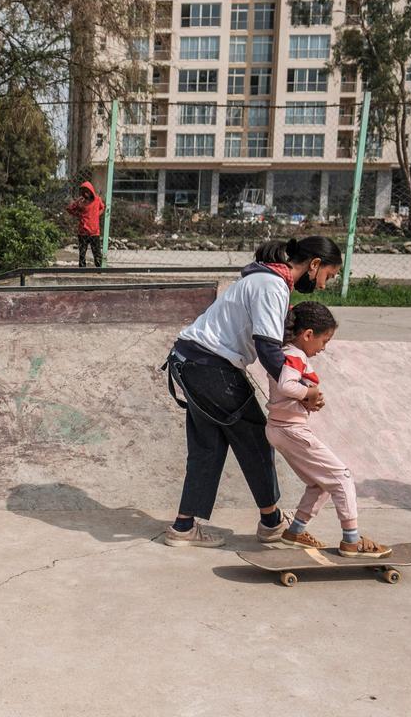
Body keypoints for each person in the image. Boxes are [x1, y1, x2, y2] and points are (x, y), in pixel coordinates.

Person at [162, 236, 343, 548]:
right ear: (314, 265)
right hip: (210, 367)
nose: (325, 284)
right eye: (329, 275)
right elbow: (268, 348)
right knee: (256, 439)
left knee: (209, 447)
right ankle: (272, 522)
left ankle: (183, 527)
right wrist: (301, 392)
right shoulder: (272, 285)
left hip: (189, 361)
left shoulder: (265, 278)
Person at [270, 302, 391, 558]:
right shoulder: (295, 354)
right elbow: (286, 386)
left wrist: (309, 400)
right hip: (290, 429)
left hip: (282, 427)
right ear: (308, 335)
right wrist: (309, 393)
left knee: (320, 483)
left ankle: (295, 530)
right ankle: (351, 540)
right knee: (342, 477)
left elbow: (291, 391)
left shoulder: (288, 353)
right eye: (324, 341)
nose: (324, 348)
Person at [66, 181, 106, 268]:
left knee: (97, 252)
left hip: (94, 232)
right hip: (83, 232)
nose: (85, 193)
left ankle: (99, 268)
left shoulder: (97, 200)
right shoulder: (81, 202)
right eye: (83, 191)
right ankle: (82, 269)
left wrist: (97, 214)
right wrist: (78, 212)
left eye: (87, 191)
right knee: (82, 253)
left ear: (91, 191)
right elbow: (69, 209)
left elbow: (102, 207)